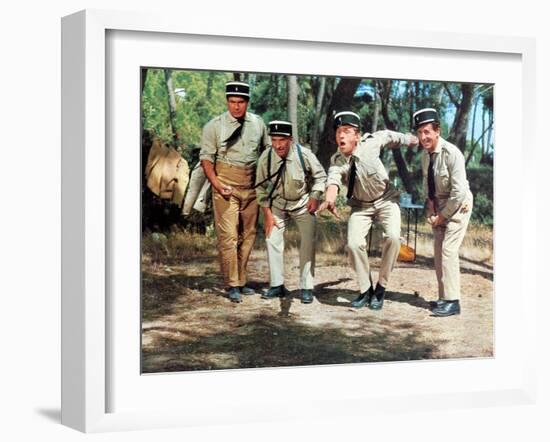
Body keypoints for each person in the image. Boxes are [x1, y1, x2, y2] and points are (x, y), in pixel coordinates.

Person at [320, 111, 418, 310]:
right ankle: (366, 290)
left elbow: (390, 136)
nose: (341, 136)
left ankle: (381, 288)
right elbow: (333, 179)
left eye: (346, 131)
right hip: (361, 206)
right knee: (354, 244)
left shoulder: (371, 143)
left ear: (357, 135)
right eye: (339, 131)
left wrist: (409, 139)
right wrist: (329, 198)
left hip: (386, 199)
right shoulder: (337, 160)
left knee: (392, 237)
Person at [199, 81, 270, 303]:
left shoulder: (258, 123)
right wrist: (217, 184)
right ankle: (231, 284)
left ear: (247, 102)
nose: (236, 106)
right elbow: (206, 159)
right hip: (225, 187)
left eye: (240, 102)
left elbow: (268, 152)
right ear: (227, 101)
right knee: (228, 236)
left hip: (251, 187)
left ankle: (241, 280)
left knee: (247, 235)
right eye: (232, 101)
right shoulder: (215, 126)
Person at [255, 121, 327, 304]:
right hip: (278, 203)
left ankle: (306, 287)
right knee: (272, 238)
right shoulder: (266, 158)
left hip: (303, 203)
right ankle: (277, 285)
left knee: (308, 241)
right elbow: (260, 189)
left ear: (291, 139)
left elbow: (321, 177)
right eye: (274, 140)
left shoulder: (304, 155)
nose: (278, 145)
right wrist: (268, 215)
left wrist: (315, 195)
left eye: (283, 140)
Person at [413, 108, 473, 317]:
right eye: (420, 132)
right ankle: (444, 298)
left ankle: (453, 301)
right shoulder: (425, 156)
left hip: (459, 205)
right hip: (439, 205)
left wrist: (442, 216)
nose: (423, 137)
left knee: (448, 250)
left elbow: (458, 192)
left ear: (437, 131)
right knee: (438, 252)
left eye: (427, 132)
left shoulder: (452, 153)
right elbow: (427, 184)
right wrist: (430, 207)